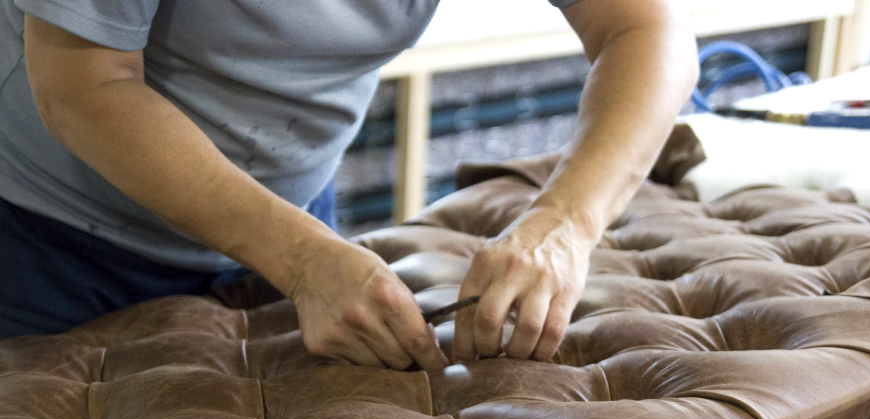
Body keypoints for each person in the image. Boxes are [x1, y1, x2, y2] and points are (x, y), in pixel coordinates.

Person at [0, 0, 697, 369]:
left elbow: (645, 26)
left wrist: (566, 222)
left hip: (286, 213)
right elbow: (82, 88)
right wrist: (302, 259)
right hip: (48, 235)